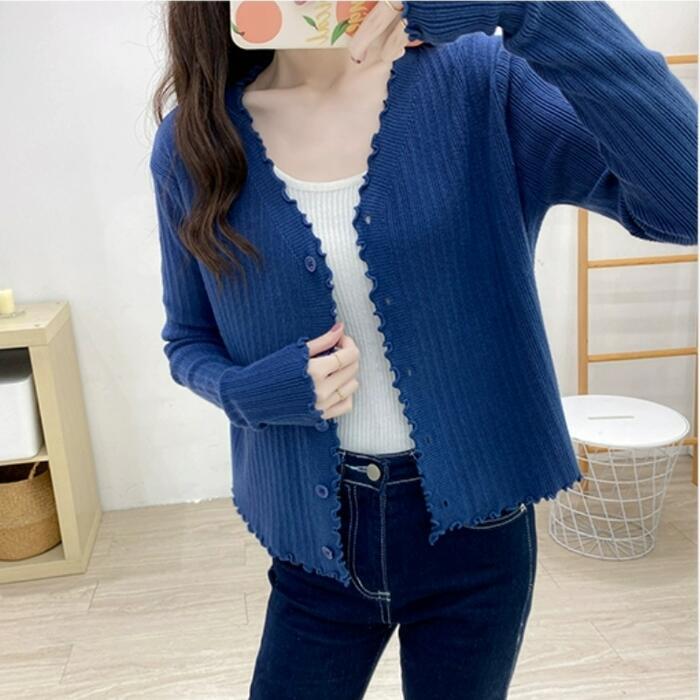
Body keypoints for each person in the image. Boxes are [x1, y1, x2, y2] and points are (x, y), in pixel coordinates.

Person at [149, 2, 697, 698]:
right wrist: (251, 393)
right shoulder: (194, 142)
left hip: (477, 529)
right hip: (316, 544)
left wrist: (531, 7)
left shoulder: (481, 83)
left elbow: (686, 202)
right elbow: (187, 339)